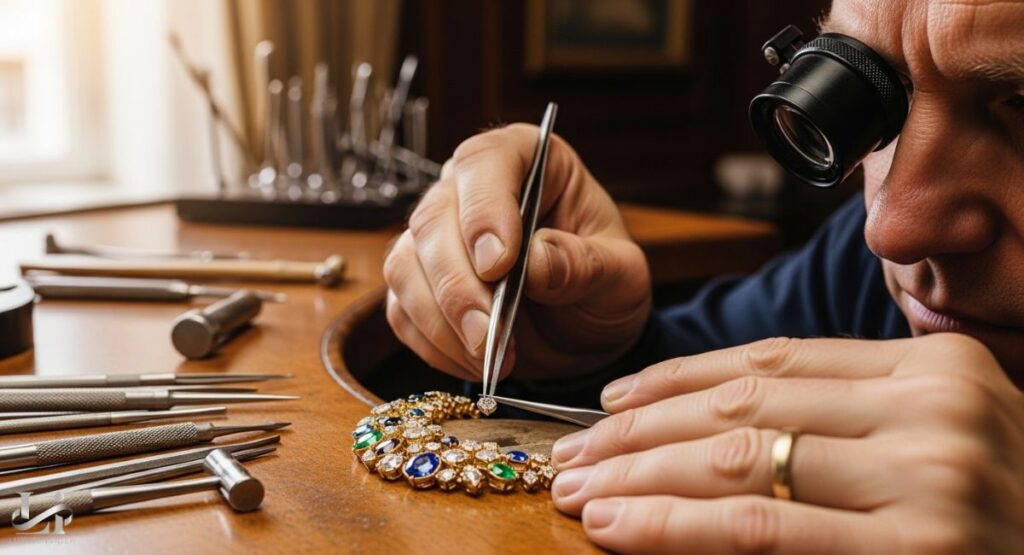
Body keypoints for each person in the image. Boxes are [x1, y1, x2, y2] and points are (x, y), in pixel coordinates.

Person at [382, 0, 1024, 552]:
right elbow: (686, 401)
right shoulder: (852, 271)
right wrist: (578, 350)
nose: (889, 228)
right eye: (874, 84)